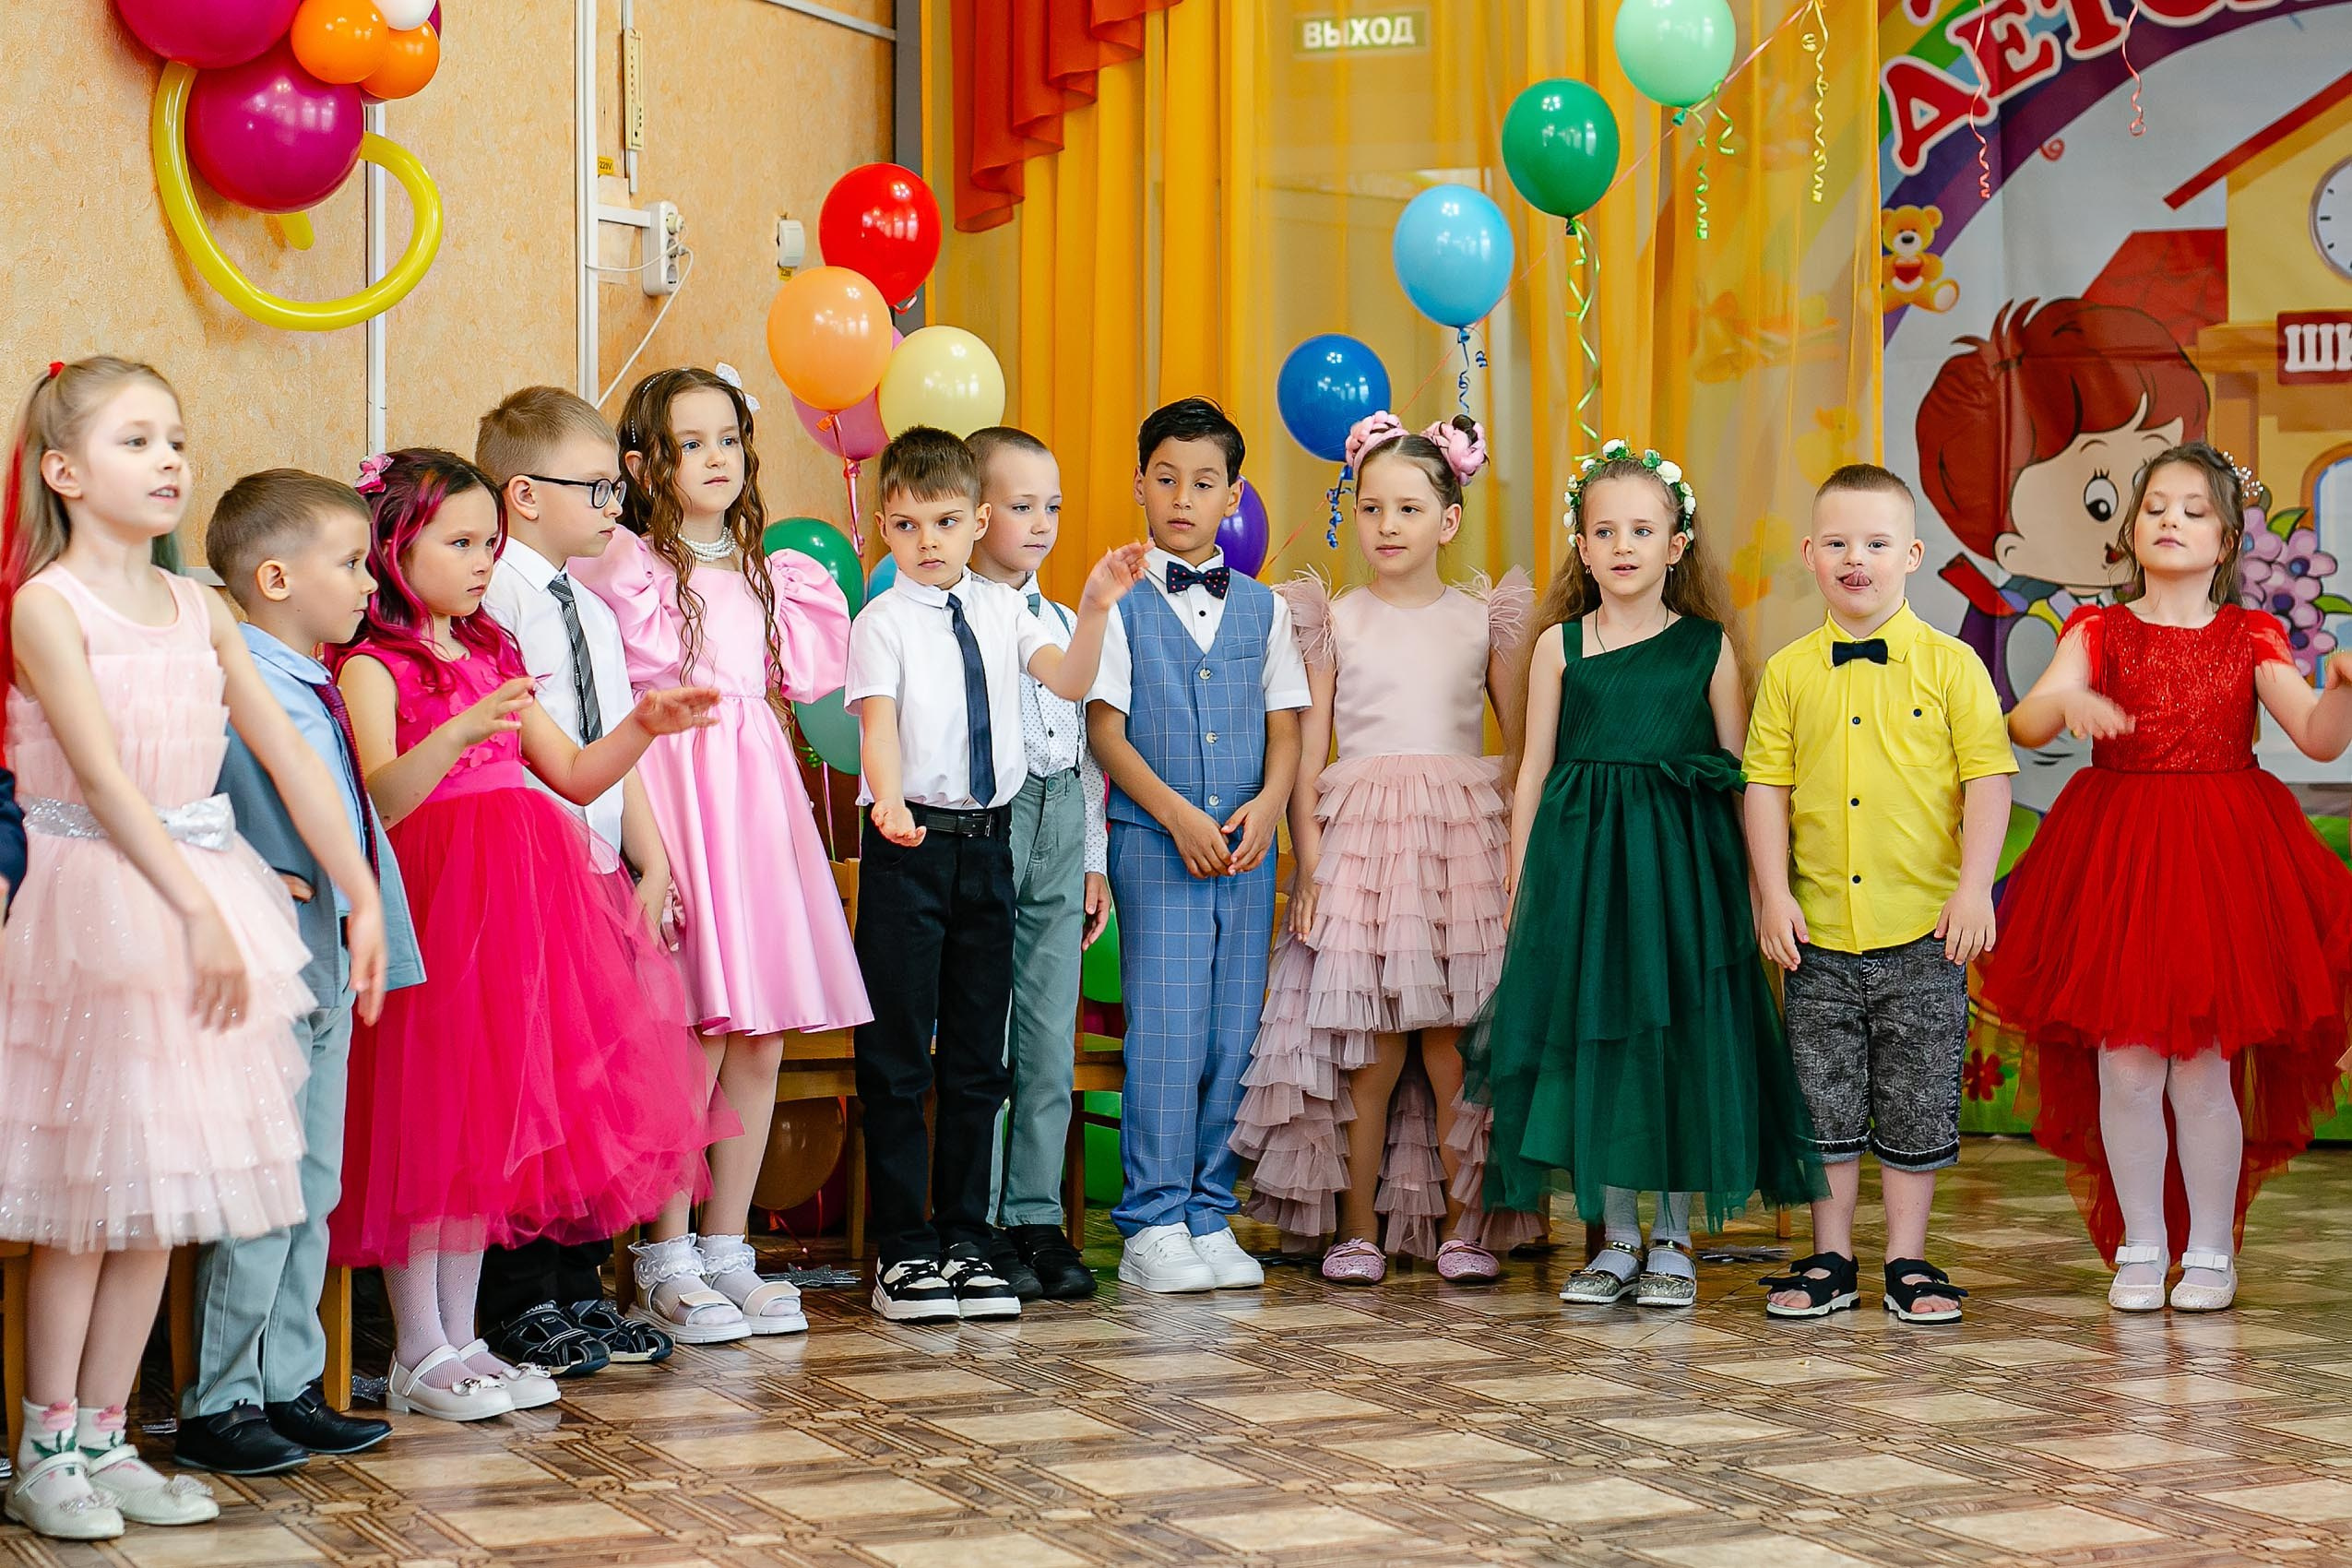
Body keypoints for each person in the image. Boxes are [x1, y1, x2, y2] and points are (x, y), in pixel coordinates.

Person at [0, 358, 386, 1539]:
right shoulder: (47, 606)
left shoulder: (203, 608)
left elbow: (288, 755)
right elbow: (107, 781)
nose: (168, 458)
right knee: (86, 1206)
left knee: (156, 1199)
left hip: (195, 887)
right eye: (134, 441)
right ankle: (44, 1443)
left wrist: (361, 891)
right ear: (64, 472)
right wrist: (195, 907)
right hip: (98, 903)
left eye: (175, 438)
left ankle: (110, 1436)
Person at [330, 448, 725, 1421]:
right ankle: (419, 1349)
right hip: (437, 902)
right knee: (431, 1124)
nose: (480, 561)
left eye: (488, 543)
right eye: (459, 541)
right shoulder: (372, 664)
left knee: (482, 1132)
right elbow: (378, 794)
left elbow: (579, 774)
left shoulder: (496, 649)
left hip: (523, 908)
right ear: (393, 545)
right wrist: (457, 737)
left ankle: (461, 1335)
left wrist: (642, 723)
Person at [1981, 443, 2352, 1313]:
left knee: (2201, 1070)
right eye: (2156, 507)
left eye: (2193, 509)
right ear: (2131, 531)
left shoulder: (2251, 633)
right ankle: (2142, 1244)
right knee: (2127, 1069)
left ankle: (2212, 1249)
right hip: (2119, 855)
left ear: (2225, 540)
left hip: (2222, 858)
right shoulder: (2096, 630)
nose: (2172, 521)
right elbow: (2025, 721)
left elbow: (2320, 738)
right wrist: (2062, 704)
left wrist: (2339, 687)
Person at [1468, 441, 1824, 1308]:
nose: (1622, 545)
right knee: (1604, 1046)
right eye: (1604, 531)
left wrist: (1750, 885)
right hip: (1586, 875)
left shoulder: (1708, 648)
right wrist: (1521, 876)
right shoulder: (1557, 647)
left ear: (1676, 543)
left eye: (1641, 528)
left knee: (1676, 1045)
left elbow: (1742, 773)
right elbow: (1533, 771)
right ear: (1582, 549)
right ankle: (1616, 1238)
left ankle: (1671, 1237)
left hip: (1682, 875)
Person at [577, 367, 869, 1339]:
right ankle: (663, 1254)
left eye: (728, 440)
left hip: (756, 800)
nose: (715, 459)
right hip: (675, 794)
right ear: (642, 463)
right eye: (688, 442)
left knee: (761, 1030)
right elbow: (615, 710)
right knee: (692, 1028)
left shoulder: (771, 573)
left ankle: (726, 1243)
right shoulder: (626, 568)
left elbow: (799, 685)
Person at [846, 426, 1146, 1322]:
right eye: (907, 524)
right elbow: (878, 724)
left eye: (944, 520)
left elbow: (1066, 682)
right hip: (912, 838)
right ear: (889, 529)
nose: (927, 539)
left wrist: (1092, 605)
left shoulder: (1009, 612)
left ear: (969, 519)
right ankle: (906, 1247)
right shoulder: (883, 622)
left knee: (984, 1054)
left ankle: (970, 1237)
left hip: (991, 840)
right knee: (902, 1051)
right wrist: (889, 802)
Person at [1231, 412, 1536, 1286]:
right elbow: (1307, 750)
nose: (1388, 526)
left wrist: (1515, 856)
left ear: (1448, 518)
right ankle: (1356, 1228)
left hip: (1457, 849)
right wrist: (1310, 863)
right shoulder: (1335, 619)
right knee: (1367, 1051)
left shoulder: (1483, 620)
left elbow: (1521, 751)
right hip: (1361, 845)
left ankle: (1466, 1226)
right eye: (1372, 509)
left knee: (1451, 1046)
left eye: (1408, 508)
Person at [175, 470, 425, 1478]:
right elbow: (192, 801)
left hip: (326, 963)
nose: (371, 581)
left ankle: (289, 1381)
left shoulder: (312, 682)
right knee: (262, 1185)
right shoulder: (236, 685)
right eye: (352, 563)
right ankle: (221, 1398)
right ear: (275, 577)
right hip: (269, 966)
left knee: (311, 1185)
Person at [1745, 463, 2014, 1324]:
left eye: (1875, 543)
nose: (1855, 558)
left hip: (1923, 931)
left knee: (1914, 1093)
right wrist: (1772, 893)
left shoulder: (1954, 665)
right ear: (1810, 555)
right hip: (1819, 931)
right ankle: (1830, 1256)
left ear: (1912, 555)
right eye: (1837, 543)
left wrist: (1975, 888)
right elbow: (1765, 789)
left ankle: (1907, 1258)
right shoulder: (1788, 672)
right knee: (1822, 1095)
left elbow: (1988, 782)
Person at [475, 386, 704, 1364]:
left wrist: (653, 856)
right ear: (523, 493)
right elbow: (523, 750)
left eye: (619, 479)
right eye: (597, 482)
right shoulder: (493, 601)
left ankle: (580, 1280)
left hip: (603, 872)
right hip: (528, 872)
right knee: (527, 1090)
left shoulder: (595, 609)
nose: (617, 496)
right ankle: (517, 1294)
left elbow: (620, 744)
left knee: (599, 1087)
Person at [1088, 398, 1308, 1295]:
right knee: (1169, 1032)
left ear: (1234, 494)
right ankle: (1152, 1219)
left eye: (1204, 481)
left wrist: (1271, 803)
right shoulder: (1117, 604)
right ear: (1140, 482)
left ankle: (1210, 1210)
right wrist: (1176, 813)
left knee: (1232, 1033)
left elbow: (1286, 728)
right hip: (1157, 846)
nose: (1184, 496)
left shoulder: (1266, 609)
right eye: (1167, 478)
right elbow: (1104, 731)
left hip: (1246, 855)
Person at [965, 425, 1111, 1302]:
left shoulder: (1062, 623)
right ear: (978, 515)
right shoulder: (964, 618)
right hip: (993, 816)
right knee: (989, 1031)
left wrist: (1091, 858)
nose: (1042, 523)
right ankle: (975, 1218)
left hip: (1062, 814)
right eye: (1022, 506)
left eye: (1052, 506)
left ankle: (1034, 1217)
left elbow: (1089, 744)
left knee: (1051, 1035)